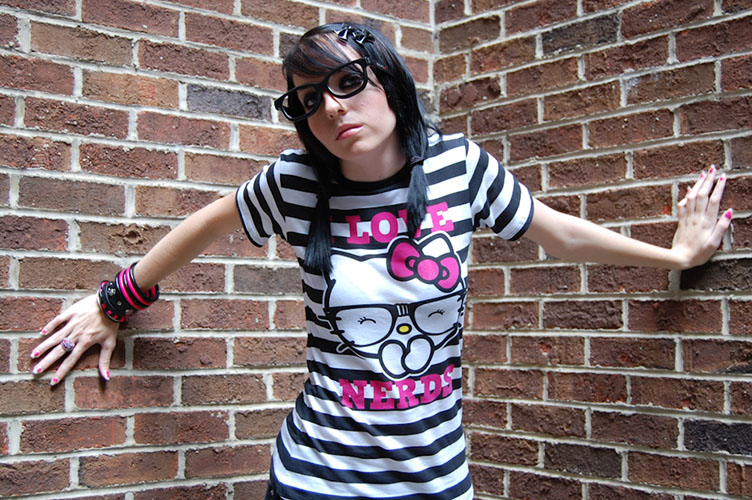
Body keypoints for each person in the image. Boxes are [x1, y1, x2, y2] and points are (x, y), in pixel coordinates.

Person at [30, 22, 733, 500]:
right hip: (316, 478)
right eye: (310, 100)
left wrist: (676, 254)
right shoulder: (295, 183)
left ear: (387, 78)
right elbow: (203, 226)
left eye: (348, 82)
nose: (333, 108)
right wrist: (113, 301)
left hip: (436, 479)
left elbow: (561, 235)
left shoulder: (459, 167)